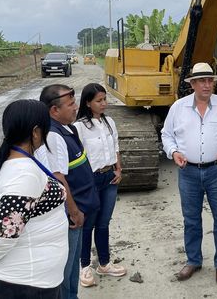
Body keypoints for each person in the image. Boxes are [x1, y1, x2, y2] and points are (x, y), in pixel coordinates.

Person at [0, 99, 68, 298]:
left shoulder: (13, 163)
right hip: (27, 285)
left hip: (32, 281)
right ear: (36, 132)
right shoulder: (23, 174)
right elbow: (6, 232)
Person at [161, 62, 217, 287]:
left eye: (210, 81)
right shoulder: (178, 107)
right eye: (202, 81)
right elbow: (166, 134)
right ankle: (193, 260)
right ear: (193, 84)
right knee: (191, 220)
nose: (207, 85)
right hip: (188, 172)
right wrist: (173, 151)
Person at [39, 84, 99, 299]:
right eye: (71, 104)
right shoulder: (53, 136)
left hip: (80, 209)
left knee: (73, 264)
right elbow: (58, 178)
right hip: (72, 216)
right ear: (54, 110)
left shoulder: (67, 129)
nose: (76, 107)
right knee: (67, 267)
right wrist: (73, 211)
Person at [74, 83, 126, 287]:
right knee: (88, 225)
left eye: (105, 99)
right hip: (91, 181)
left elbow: (116, 147)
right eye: (99, 100)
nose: (104, 103)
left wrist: (118, 169)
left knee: (104, 223)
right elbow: (77, 157)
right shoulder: (79, 127)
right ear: (88, 103)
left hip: (109, 178)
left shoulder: (109, 122)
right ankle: (84, 266)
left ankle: (104, 263)